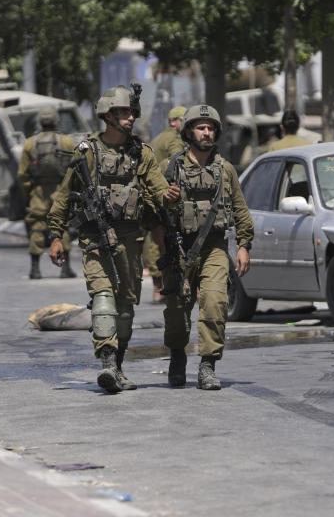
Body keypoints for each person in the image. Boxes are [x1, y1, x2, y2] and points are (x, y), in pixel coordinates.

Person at [47, 85, 175, 393]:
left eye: (132, 112)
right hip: (95, 241)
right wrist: (56, 236)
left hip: (131, 240)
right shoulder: (87, 152)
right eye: (123, 112)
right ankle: (106, 363)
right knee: (103, 299)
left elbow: (157, 187)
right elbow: (63, 197)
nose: (130, 117)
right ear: (108, 115)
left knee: (126, 309)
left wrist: (167, 195)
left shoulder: (141, 153)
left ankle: (117, 365)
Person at [161, 104, 254, 390]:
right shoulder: (172, 167)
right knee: (177, 313)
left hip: (214, 246)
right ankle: (177, 356)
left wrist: (243, 245)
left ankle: (207, 365)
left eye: (211, 127)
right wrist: (167, 199)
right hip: (179, 247)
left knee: (215, 303)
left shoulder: (225, 169)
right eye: (201, 127)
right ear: (188, 131)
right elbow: (152, 210)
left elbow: (240, 209)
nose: (206, 132)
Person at [17, 105, 76, 280]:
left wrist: (29, 190)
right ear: (56, 119)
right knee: (63, 226)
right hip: (60, 190)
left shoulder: (30, 143)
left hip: (39, 190)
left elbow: (22, 173)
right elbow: (75, 169)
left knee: (36, 226)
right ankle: (65, 269)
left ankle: (35, 269)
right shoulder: (67, 141)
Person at [143, 106, 187, 302]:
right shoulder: (173, 141)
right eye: (183, 120)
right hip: (166, 191)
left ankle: (157, 286)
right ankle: (163, 286)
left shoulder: (158, 138)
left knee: (154, 239)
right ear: (173, 121)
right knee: (162, 240)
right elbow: (178, 165)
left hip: (151, 191)